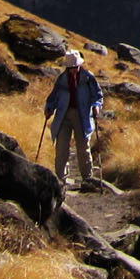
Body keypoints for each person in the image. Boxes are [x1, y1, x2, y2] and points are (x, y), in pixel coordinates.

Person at [43, 50, 104, 185]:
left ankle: (87, 178)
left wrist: (96, 105)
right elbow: (54, 96)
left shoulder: (88, 78)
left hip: (82, 116)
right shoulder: (62, 79)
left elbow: (98, 96)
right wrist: (49, 108)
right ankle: (61, 179)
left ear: (79, 66)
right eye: (71, 68)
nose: (73, 71)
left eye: (75, 68)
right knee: (61, 147)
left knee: (83, 147)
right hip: (63, 115)